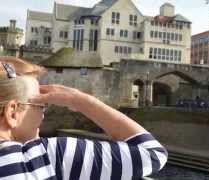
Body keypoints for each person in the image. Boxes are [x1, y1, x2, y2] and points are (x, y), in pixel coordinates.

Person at [0, 56, 168, 180]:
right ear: (12, 112)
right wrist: (81, 101)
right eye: (41, 105)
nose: (43, 115)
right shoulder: (45, 157)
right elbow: (153, 153)